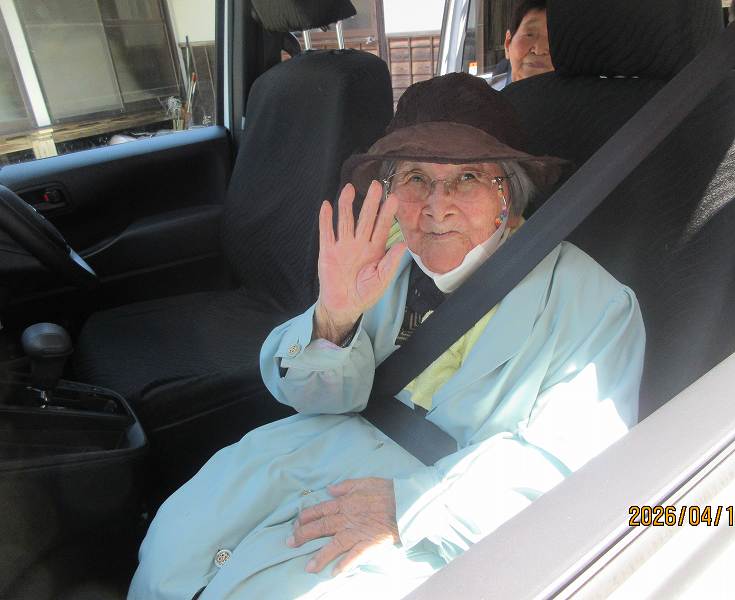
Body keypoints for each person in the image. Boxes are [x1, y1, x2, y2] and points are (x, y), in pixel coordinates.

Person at [129, 73, 645, 600]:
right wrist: (334, 318)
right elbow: (307, 394)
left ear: (508, 195)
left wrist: (412, 506)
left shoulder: (592, 301)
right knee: (172, 549)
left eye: (468, 177)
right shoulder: (382, 254)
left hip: (447, 510)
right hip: (312, 453)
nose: (437, 205)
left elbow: (569, 469)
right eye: (415, 177)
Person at [487, 0, 553, 90]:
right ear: (507, 44)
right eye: (529, 35)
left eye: (553, 37)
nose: (539, 50)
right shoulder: (484, 94)